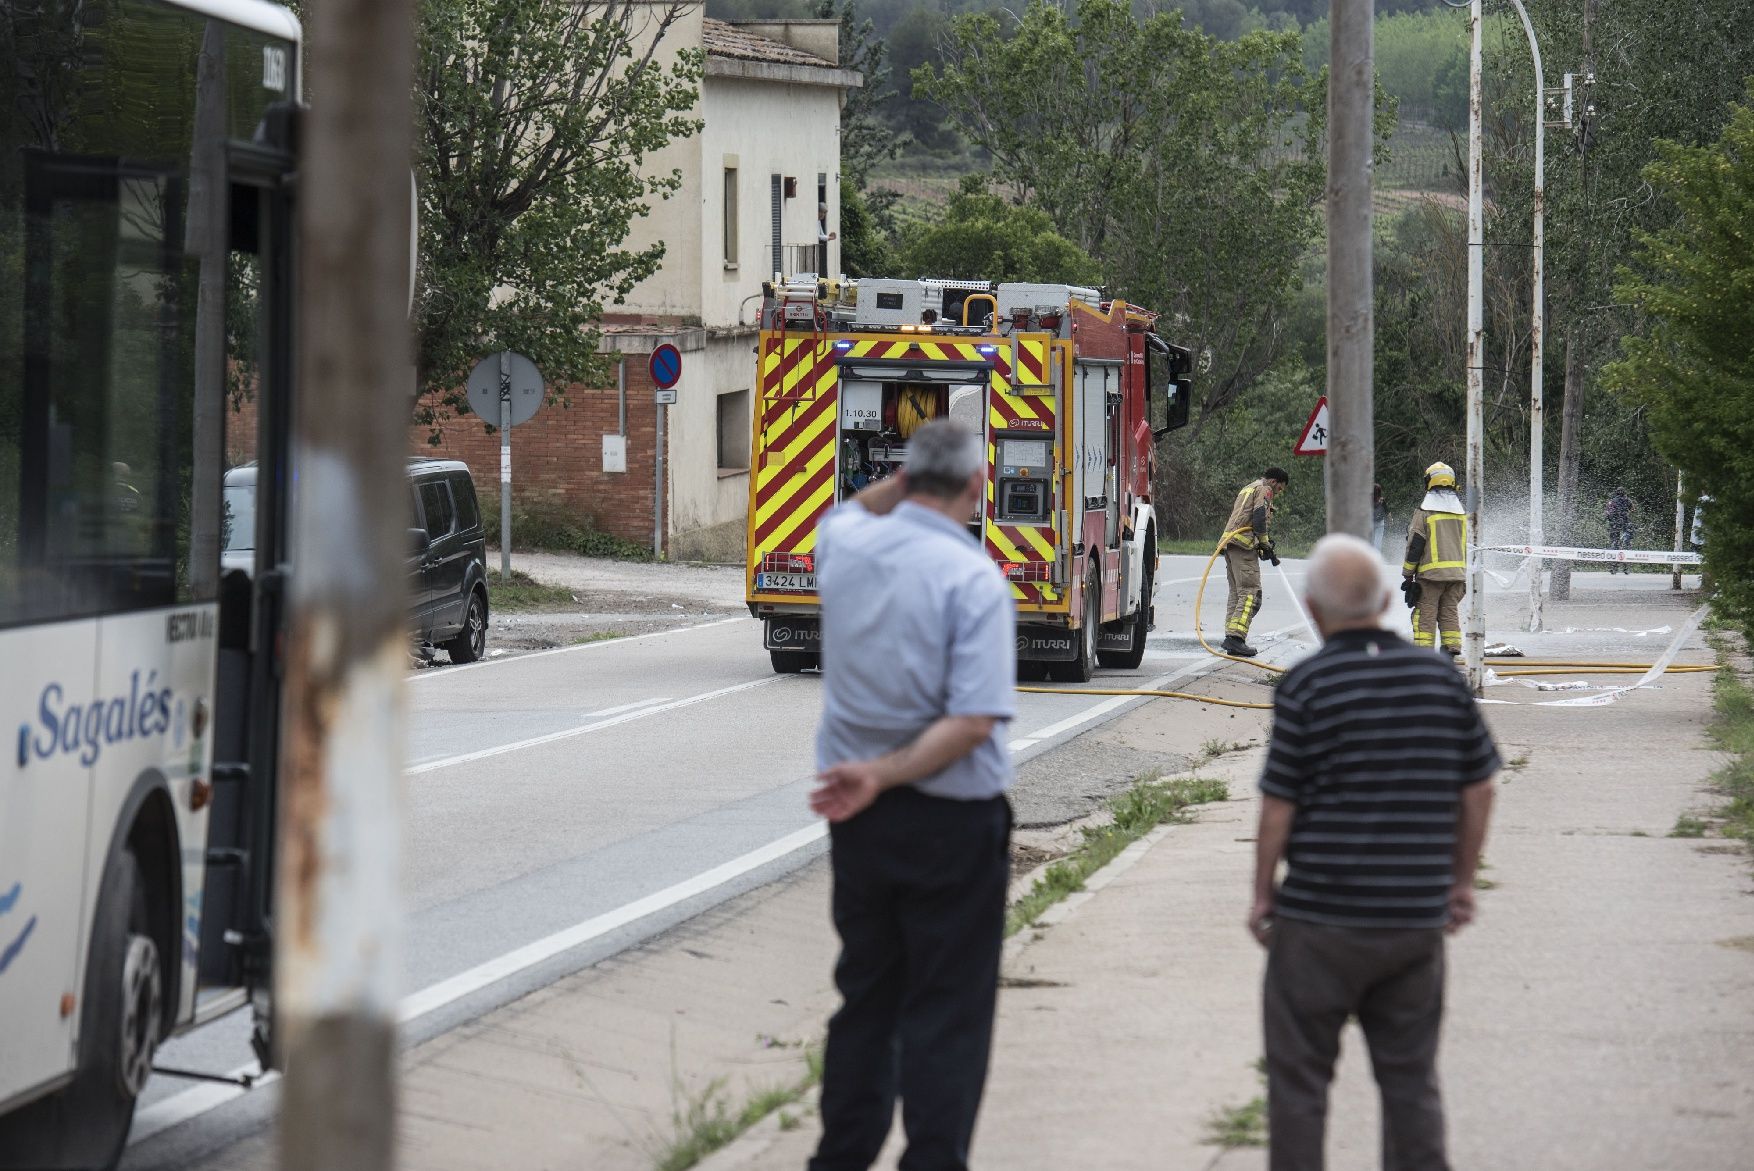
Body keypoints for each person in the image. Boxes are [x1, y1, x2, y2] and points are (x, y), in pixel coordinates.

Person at [1250, 533, 1500, 1171]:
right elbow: (1479, 786)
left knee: (1299, 1084)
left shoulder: (1305, 685)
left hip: (1317, 922)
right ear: (1388, 598)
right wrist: (1460, 882)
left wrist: (1262, 896)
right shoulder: (1441, 679)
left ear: (1311, 608)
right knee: (1410, 1081)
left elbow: (1279, 805)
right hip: (1413, 923)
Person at [807, 418, 1016, 1171]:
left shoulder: (845, 546)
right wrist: (890, 771)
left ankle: (841, 1156)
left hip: (858, 821)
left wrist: (906, 476)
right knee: (947, 1013)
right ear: (975, 487)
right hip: (952, 827)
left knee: (867, 997)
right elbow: (972, 720)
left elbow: (859, 508)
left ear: (904, 478)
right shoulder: (973, 579)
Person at [1220, 466, 1289, 658]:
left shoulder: (1249, 487)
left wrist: (1261, 544)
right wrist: (1265, 542)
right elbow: (1259, 516)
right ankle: (1236, 638)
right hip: (1243, 546)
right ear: (1274, 482)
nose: (1278, 492)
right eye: (1280, 488)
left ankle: (1231, 636)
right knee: (1251, 594)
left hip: (1231, 545)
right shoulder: (1264, 489)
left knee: (1237, 593)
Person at [1402, 462, 1467, 657]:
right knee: (1449, 612)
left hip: (1430, 577)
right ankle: (1451, 649)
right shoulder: (1462, 514)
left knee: (1425, 616)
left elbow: (1415, 546)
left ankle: (1424, 656)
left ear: (1429, 482)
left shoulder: (1424, 513)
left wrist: (1407, 574)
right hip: (1457, 576)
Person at [1604, 487, 1635, 574]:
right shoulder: (1627, 500)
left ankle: (1613, 567)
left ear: (1616, 493)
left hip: (1614, 525)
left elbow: (1607, 512)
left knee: (1614, 544)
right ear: (1624, 493)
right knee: (1626, 545)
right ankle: (1626, 568)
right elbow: (1633, 509)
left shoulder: (1612, 501)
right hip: (1625, 524)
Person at [1371, 483, 1388, 556]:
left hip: (1370, 522)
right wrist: (1391, 520)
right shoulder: (1382, 500)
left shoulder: (1368, 500)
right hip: (1380, 523)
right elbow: (1387, 511)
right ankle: (1376, 557)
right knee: (1378, 541)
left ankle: (1369, 556)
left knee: (1370, 540)